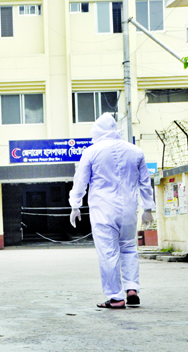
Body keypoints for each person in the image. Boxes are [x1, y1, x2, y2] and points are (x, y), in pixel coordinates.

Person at [69, 113, 155, 309]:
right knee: (129, 248)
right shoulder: (136, 151)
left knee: (108, 252)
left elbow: (80, 181)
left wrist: (75, 204)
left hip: (102, 209)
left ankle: (116, 297)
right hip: (128, 209)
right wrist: (148, 208)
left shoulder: (91, 152)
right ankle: (132, 288)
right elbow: (145, 183)